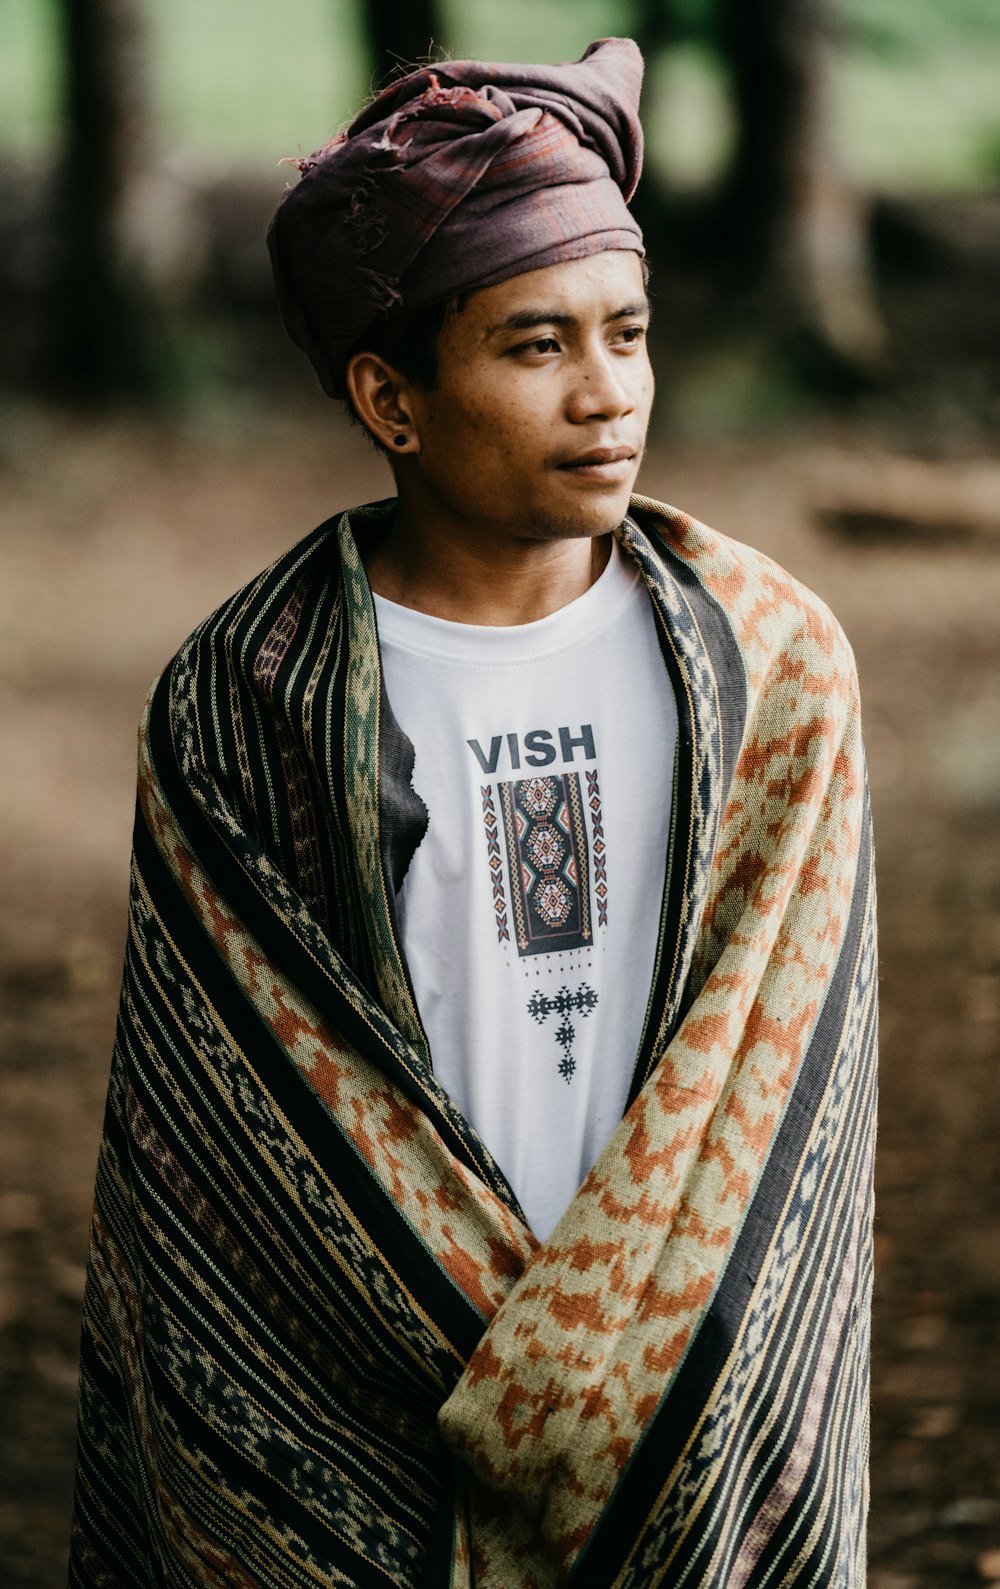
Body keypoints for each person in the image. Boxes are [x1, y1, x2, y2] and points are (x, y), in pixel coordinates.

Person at [69, 39, 877, 1589]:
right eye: (533, 345)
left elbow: (786, 1131)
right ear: (393, 396)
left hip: (693, 1418)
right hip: (361, 1419)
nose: (607, 392)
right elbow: (227, 1169)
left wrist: (630, 1379)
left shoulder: (773, 669)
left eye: (629, 334)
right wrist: (510, 1372)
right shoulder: (252, 699)